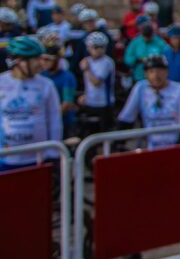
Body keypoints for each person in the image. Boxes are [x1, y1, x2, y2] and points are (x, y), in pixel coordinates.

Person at [0, 36, 62, 170]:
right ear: (20, 61)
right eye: (36, 59)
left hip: (38, 158)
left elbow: (54, 120)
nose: (41, 64)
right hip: (5, 158)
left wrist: (53, 153)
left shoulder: (46, 85)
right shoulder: (1, 82)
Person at [116, 53, 180, 149]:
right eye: (151, 71)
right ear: (145, 74)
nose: (156, 76)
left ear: (167, 72)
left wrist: (176, 150)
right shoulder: (141, 88)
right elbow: (126, 118)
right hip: (154, 148)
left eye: (160, 71)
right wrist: (116, 144)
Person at [77, 31, 117, 139]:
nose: (99, 50)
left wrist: (86, 70)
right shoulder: (87, 61)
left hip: (104, 104)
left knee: (103, 136)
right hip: (90, 103)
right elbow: (87, 84)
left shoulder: (107, 62)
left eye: (102, 47)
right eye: (96, 47)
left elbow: (96, 82)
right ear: (89, 48)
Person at [39, 32, 77, 138]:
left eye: (47, 60)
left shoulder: (67, 77)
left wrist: (48, 119)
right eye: (42, 59)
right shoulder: (41, 75)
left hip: (63, 123)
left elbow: (67, 103)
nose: (43, 62)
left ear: (57, 59)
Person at [123, 15, 170, 83]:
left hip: (157, 79)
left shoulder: (159, 42)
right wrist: (137, 60)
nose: (147, 38)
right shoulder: (135, 42)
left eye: (149, 36)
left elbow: (168, 56)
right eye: (145, 36)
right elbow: (127, 59)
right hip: (139, 77)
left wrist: (156, 60)